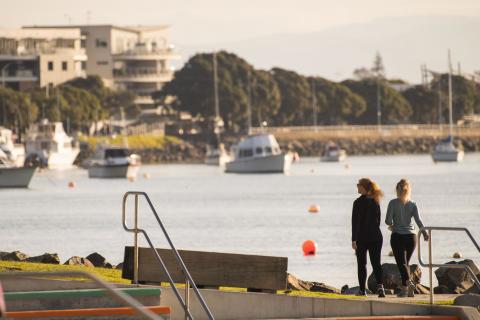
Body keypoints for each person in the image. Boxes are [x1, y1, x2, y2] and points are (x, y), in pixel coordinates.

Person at [385, 179, 429, 298]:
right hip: (411, 238)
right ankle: (408, 291)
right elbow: (418, 221)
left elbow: (387, 221)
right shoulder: (413, 203)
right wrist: (424, 233)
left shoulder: (392, 203)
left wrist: (392, 225)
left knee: (402, 264)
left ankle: (408, 284)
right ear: (409, 190)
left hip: (398, 236)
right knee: (405, 264)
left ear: (397, 190)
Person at [352, 178, 386, 297]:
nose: (357, 187)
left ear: (364, 187)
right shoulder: (375, 201)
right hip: (376, 237)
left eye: (358, 185)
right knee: (376, 263)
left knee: (362, 264)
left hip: (362, 238)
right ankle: (381, 287)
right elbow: (378, 221)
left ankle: (362, 290)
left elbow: (355, 223)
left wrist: (353, 240)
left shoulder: (357, 203)